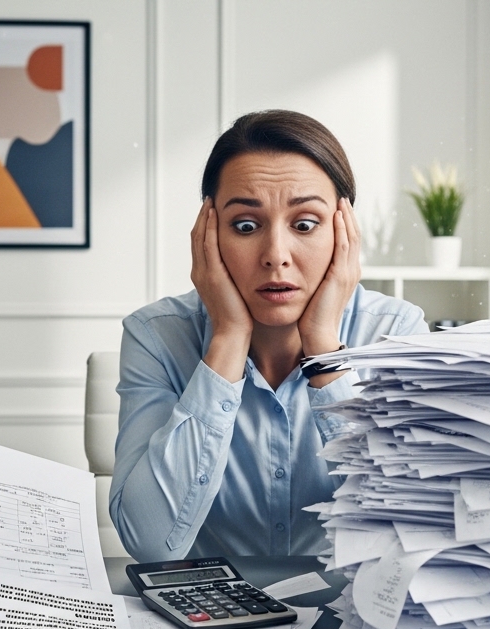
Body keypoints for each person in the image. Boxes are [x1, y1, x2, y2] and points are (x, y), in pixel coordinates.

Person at [110, 110, 427, 562]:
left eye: (304, 224)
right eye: (245, 226)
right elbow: (148, 544)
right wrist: (228, 337)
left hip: (346, 618)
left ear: (344, 232)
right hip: (207, 618)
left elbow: (406, 528)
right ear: (209, 233)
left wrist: (323, 348)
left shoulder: (395, 334)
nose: (276, 256)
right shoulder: (156, 336)